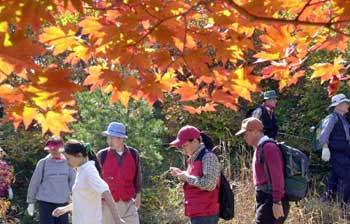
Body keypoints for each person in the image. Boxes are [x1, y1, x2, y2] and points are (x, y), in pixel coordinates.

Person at [52, 140, 124, 224]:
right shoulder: (81, 170)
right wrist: (65, 209)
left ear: (79, 155)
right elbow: (83, 200)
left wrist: (117, 219)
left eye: (68, 159)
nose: (67, 163)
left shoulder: (89, 171)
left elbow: (106, 192)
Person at [235, 117, 289, 224]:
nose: (244, 137)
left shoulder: (269, 147)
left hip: (271, 199)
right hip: (266, 199)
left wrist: (277, 202)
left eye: (245, 133)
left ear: (255, 131)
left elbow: (277, 176)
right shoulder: (260, 148)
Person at [169, 125, 221, 224]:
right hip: (198, 213)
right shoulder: (194, 158)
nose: (183, 149)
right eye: (181, 146)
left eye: (185, 145)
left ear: (195, 141)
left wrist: (187, 177)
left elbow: (209, 184)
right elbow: (196, 177)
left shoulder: (208, 156)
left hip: (206, 214)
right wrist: (181, 173)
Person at [97, 122, 142, 224]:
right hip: (107, 204)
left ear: (121, 139)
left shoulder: (134, 154)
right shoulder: (102, 155)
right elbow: (96, 179)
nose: (109, 141)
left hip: (128, 203)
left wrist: (138, 196)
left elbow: (137, 176)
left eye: (112, 138)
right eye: (108, 138)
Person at [26, 137, 75, 224]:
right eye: (51, 149)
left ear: (61, 149)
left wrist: (77, 200)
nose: (54, 151)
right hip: (45, 204)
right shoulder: (43, 163)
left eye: (56, 149)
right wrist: (31, 202)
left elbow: (74, 183)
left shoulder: (68, 163)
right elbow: (35, 183)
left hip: (62, 203)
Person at [319, 93, 350, 210]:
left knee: (334, 178)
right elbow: (324, 134)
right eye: (345, 103)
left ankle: (326, 204)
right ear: (338, 105)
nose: (347, 105)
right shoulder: (332, 117)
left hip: (344, 153)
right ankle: (343, 207)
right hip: (337, 153)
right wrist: (325, 147)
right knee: (347, 177)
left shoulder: (343, 119)